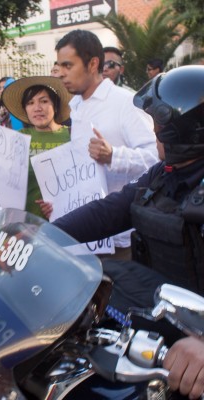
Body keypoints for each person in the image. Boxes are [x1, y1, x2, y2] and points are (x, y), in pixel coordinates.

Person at [52, 65, 204, 399]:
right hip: (155, 323)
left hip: (194, 353)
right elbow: (114, 209)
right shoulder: (164, 174)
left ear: (184, 131)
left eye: (159, 124)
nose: (153, 130)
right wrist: (44, 236)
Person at [55, 29, 158, 260]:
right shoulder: (77, 108)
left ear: (92, 64)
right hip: (86, 237)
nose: (61, 73)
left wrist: (114, 156)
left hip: (120, 236)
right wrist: (58, 202)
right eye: (59, 66)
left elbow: (156, 158)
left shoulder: (124, 102)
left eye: (68, 65)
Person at [2, 76, 72, 219]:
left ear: (56, 105)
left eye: (44, 101)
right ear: (25, 109)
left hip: (66, 224)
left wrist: (59, 205)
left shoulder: (72, 135)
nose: (37, 108)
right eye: (30, 103)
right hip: (25, 226)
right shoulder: (17, 139)